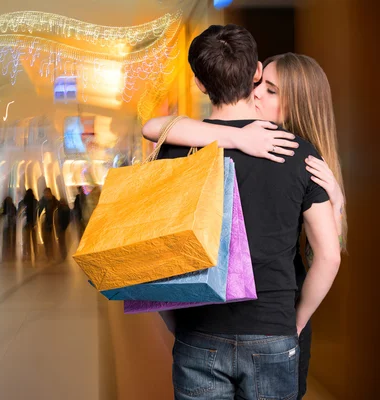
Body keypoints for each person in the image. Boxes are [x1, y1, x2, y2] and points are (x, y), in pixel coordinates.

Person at [143, 24, 341, 400]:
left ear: (200, 84)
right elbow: (329, 255)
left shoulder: (175, 148)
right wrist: (293, 325)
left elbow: (158, 256)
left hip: (198, 330)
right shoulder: (296, 151)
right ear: (255, 73)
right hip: (273, 329)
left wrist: (176, 323)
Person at [38, 188, 58, 261]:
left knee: (52, 240)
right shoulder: (42, 201)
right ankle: (48, 255)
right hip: (45, 224)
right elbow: (39, 211)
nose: (46, 194)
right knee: (46, 240)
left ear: (50, 193)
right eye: (45, 193)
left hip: (53, 224)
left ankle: (52, 255)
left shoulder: (54, 201)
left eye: (47, 193)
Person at [20, 189, 38, 261]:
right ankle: (35, 253)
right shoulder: (35, 201)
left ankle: (27, 253)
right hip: (33, 222)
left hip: (26, 223)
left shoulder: (24, 202)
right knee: (34, 239)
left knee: (26, 239)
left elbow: (21, 210)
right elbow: (36, 211)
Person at [1, 196, 17, 261]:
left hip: (6, 226)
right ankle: (12, 255)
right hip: (12, 226)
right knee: (12, 241)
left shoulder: (4, 207)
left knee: (5, 241)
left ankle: (5, 255)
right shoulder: (13, 207)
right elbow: (15, 215)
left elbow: (1, 214)